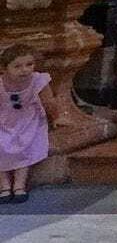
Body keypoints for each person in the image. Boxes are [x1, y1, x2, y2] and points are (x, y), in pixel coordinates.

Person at [0, 45, 61, 206]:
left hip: (28, 119)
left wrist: (55, 118)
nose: (25, 70)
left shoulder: (38, 80)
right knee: (1, 144)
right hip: (4, 119)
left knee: (25, 143)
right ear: (5, 68)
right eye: (17, 66)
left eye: (29, 64)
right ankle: (4, 185)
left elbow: (49, 102)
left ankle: (19, 185)